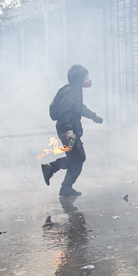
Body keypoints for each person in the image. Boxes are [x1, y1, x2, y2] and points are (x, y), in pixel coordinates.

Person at [41, 65, 103, 197]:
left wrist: (94, 116)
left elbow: (80, 108)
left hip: (69, 129)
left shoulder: (75, 90)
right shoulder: (70, 92)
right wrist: (69, 132)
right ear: (78, 78)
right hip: (67, 130)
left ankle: (64, 186)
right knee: (78, 158)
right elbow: (66, 113)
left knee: (76, 159)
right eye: (85, 76)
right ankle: (52, 170)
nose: (87, 79)